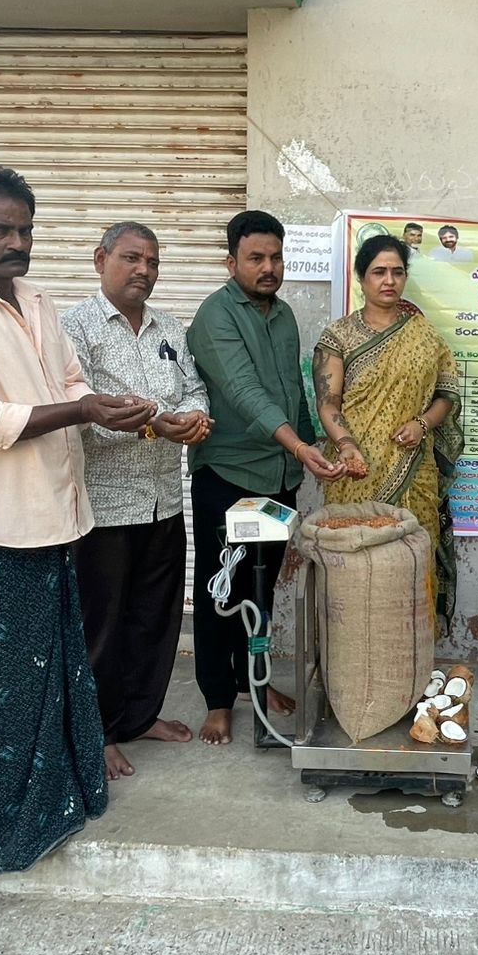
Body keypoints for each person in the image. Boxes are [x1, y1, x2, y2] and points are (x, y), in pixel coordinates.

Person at [0, 164, 155, 872]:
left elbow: (71, 383)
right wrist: (81, 408)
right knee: (2, 692)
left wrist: (102, 406)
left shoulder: (38, 301)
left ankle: (56, 802)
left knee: (53, 673)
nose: (17, 242)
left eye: (25, 229)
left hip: (52, 516)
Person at [188, 210, 346, 745]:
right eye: (255, 258)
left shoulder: (283, 315)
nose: (268, 267)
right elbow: (244, 393)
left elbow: (291, 390)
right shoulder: (215, 316)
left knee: (261, 586)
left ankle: (252, 681)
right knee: (222, 590)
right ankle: (218, 698)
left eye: (275, 257)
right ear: (231, 261)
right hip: (228, 475)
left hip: (278, 475)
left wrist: (314, 445)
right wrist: (298, 446)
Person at [63, 222, 213, 779]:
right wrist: (156, 424)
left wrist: (195, 417)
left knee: (154, 619)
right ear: (99, 259)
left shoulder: (168, 327)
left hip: (163, 500)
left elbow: (194, 387)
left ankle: (138, 717)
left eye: (151, 261)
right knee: (102, 626)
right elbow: (78, 409)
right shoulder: (73, 328)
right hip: (105, 507)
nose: (143, 270)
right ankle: (96, 733)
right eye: (131, 258)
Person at [314, 234, 463, 626]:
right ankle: (350, 645)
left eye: (397, 272)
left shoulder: (425, 336)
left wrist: (422, 424)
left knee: (411, 564)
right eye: (379, 272)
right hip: (354, 470)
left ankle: (408, 649)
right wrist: (346, 444)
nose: (389, 280)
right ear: (361, 277)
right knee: (355, 564)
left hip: (414, 470)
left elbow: (446, 395)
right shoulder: (338, 337)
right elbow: (328, 403)